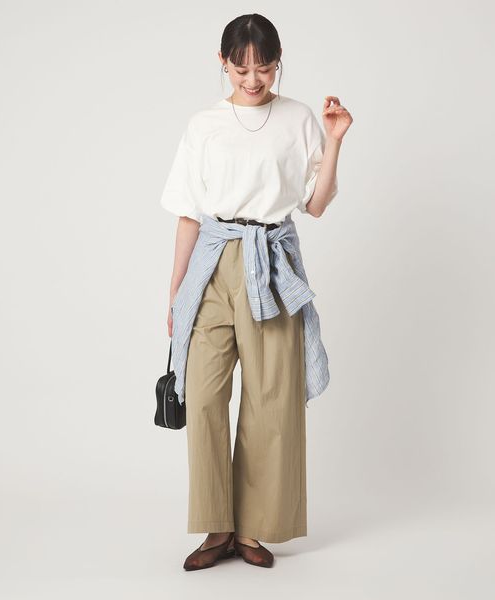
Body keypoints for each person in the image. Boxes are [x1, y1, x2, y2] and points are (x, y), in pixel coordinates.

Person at [159, 13, 353, 570]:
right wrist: (176, 291)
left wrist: (334, 141)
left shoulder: (298, 118)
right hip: (213, 261)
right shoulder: (203, 125)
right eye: (240, 68)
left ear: (277, 61)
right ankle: (216, 527)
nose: (252, 79)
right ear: (222, 63)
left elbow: (315, 205)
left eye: (263, 67)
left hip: (269, 264)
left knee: (270, 401)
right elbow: (188, 214)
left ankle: (251, 529)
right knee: (202, 397)